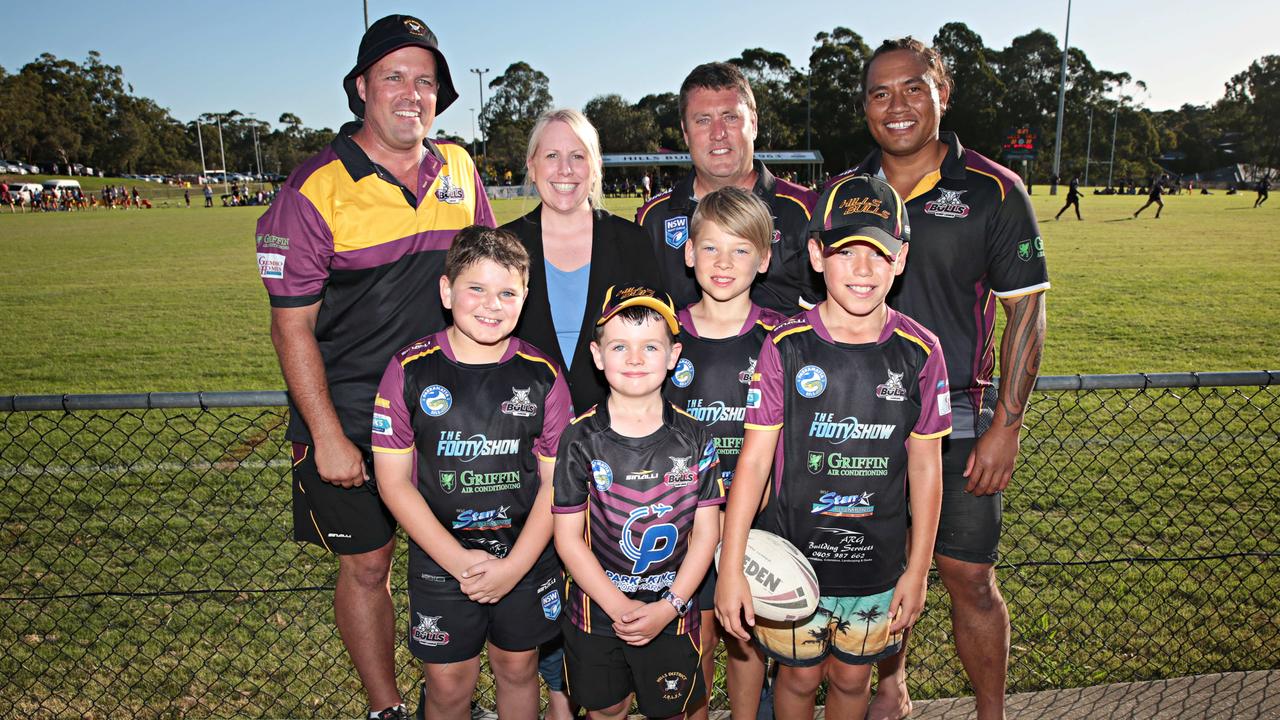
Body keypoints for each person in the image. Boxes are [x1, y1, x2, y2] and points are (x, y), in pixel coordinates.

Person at [255, 14, 492, 720]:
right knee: (367, 565)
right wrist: (326, 432)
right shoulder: (313, 188)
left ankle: (451, 696)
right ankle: (386, 708)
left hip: (449, 414)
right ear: (361, 88)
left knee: (461, 556)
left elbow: (483, 279)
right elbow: (289, 325)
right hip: (353, 414)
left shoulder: (459, 166)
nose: (411, 93)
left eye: (426, 81)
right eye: (394, 76)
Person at [843, 37, 1048, 720]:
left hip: (959, 422)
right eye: (880, 93)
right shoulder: (847, 192)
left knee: (969, 577)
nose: (895, 106)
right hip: (860, 426)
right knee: (872, 574)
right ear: (865, 107)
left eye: (912, 88)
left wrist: (1006, 428)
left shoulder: (993, 189)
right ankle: (891, 687)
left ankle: (991, 714)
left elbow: (1027, 314)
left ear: (943, 93)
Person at [717, 173, 951, 720]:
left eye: (879, 252)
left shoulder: (921, 350)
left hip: (876, 566)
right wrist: (731, 565)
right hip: (794, 561)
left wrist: (917, 572)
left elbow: (927, 469)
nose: (864, 270)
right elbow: (753, 463)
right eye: (847, 251)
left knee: (852, 684)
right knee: (797, 684)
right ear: (818, 255)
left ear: (901, 258)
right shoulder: (785, 346)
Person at [372, 226, 572, 720]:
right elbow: (393, 483)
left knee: (518, 669)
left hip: (524, 559)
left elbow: (555, 487)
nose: (491, 304)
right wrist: (460, 563)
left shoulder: (542, 374)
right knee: (447, 684)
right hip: (441, 561)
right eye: (475, 289)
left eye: (507, 292)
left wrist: (512, 567)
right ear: (447, 291)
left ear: (525, 297)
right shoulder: (409, 368)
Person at [552, 285, 724, 720]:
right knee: (607, 710)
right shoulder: (580, 438)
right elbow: (568, 539)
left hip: (673, 610)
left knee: (670, 712)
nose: (634, 358)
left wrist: (670, 606)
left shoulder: (695, 436)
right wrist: (619, 607)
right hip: (597, 612)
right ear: (596, 354)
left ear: (673, 355)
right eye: (619, 346)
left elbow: (707, 531)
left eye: (650, 346)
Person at [663, 186, 785, 720]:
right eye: (710, 248)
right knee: (699, 641)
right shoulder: (664, 336)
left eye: (740, 250)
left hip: (760, 522)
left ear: (763, 259)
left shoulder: (781, 337)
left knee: (747, 641)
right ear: (688, 253)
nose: (723, 263)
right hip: (686, 523)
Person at [505, 108, 662, 415]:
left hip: (613, 433)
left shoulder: (632, 241)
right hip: (523, 432)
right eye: (551, 155)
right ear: (531, 166)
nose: (565, 169)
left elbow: (654, 338)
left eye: (577, 156)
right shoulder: (504, 246)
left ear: (596, 167)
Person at [637, 62, 819, 317]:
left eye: (730, 117)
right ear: (686, 133)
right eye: (703, 120)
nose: (718, 133)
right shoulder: (652, 219)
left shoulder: (807, 210)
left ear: (753, 124)